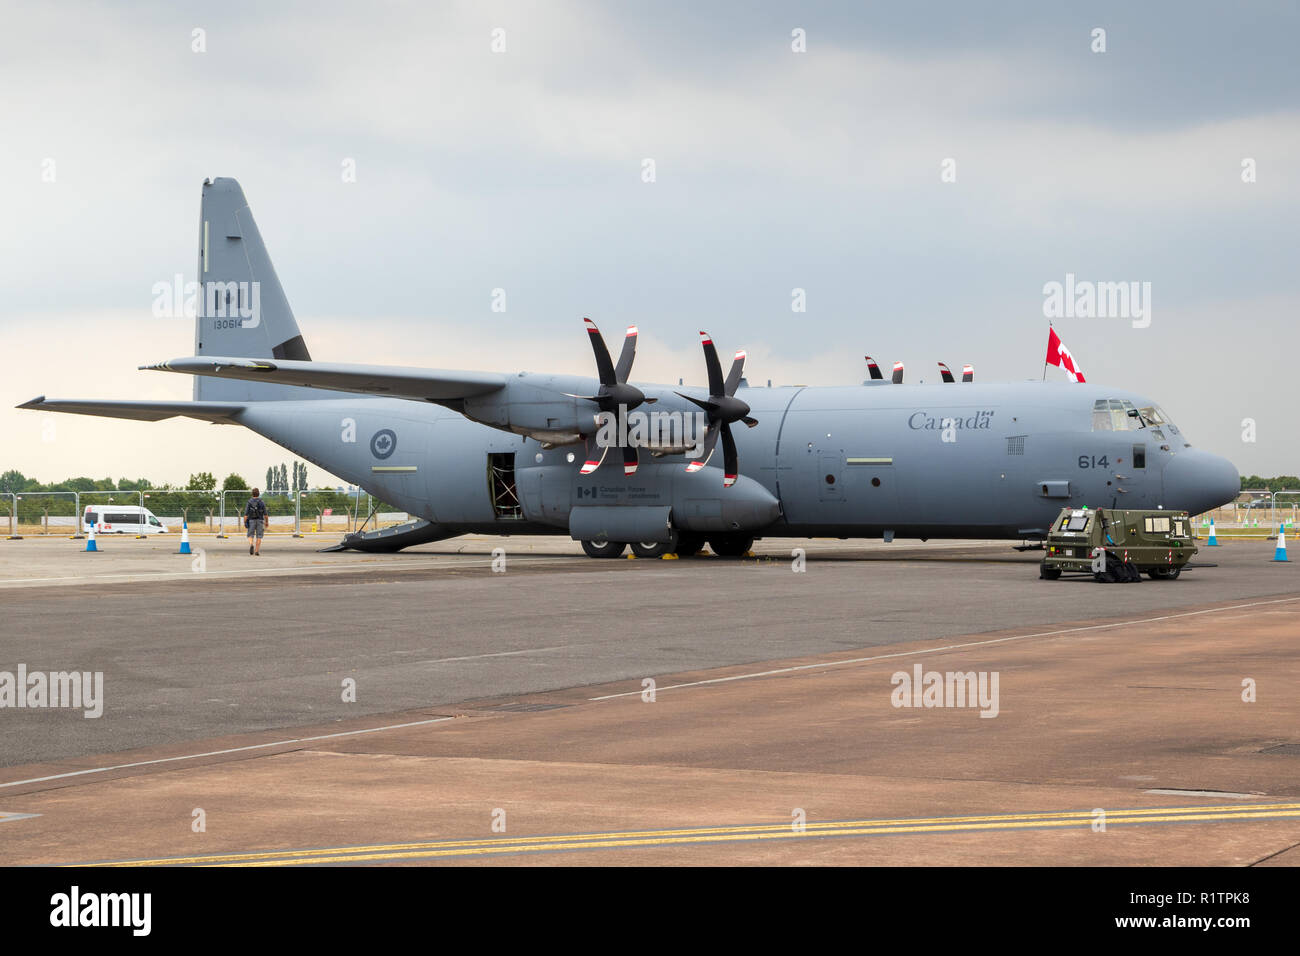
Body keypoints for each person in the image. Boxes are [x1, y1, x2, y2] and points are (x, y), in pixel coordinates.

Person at [244, 488, 268, 555]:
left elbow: (246, 514)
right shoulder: (262, 502)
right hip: (260, 520)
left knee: (250, 535)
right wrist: (266, 522)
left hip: (251, 520)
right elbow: (265, 514)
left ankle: (251, 544)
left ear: (252, 494)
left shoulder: (249, 502)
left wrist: (245, 522)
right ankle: (256, 551)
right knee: (259, 536)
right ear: (258, 494)